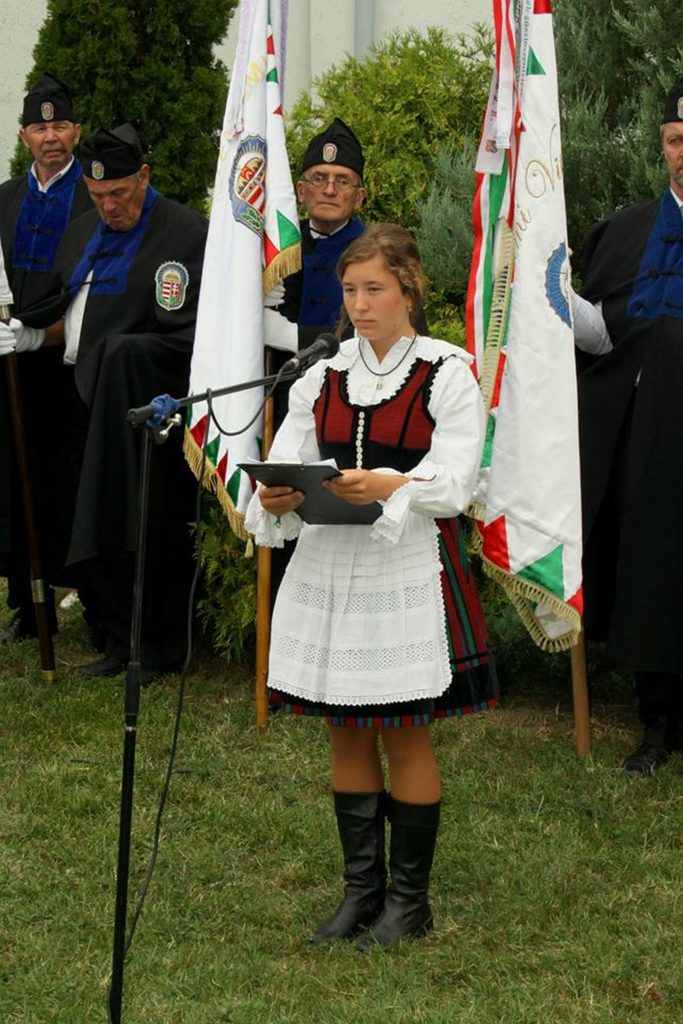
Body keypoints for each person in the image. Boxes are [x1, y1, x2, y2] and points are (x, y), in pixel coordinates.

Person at [245, 224, 497, 950]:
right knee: (343, 726)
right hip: (329, 562)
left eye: (374, 289)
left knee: (404, 733)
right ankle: (362, 893)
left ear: (409, 289)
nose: (358, 304)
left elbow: (456, 480)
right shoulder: (321, 371)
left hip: (405, 559)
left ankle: (408, 905)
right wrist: (280, 493)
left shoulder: (446, 370)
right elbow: (290, 455)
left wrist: (392, 482)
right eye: (350, 290)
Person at [19, 123, 208, 682]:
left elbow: (188, 334)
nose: (109, 207)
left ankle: (156, 645)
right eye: (99, 196)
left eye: (119, 194)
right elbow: (64, 313)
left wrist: (126, 355)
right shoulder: (82, 232)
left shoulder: (184, 233)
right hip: (79, 394)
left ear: (143, 177)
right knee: (88, 513)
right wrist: (30, 334)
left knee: (140, 520)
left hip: (140, 408)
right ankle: (112, 634)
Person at [571, 77, 683, 774]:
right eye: (674, 140)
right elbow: (600, 337)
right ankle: (657, 723)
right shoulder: (625, 230)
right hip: (646, 438)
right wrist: (549, 295)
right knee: (651, 570)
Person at [0, 72, 91, 644]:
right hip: (10, 364)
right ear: (24, 134)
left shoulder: (93, 196)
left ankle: (79, 591)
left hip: (68, 362)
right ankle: (26, 604)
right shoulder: (4, 197)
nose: (50, 135)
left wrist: (44, 335)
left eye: (60, 125)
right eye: (40, 126)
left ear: (76, 132)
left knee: (67, 476)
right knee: (14, 477)